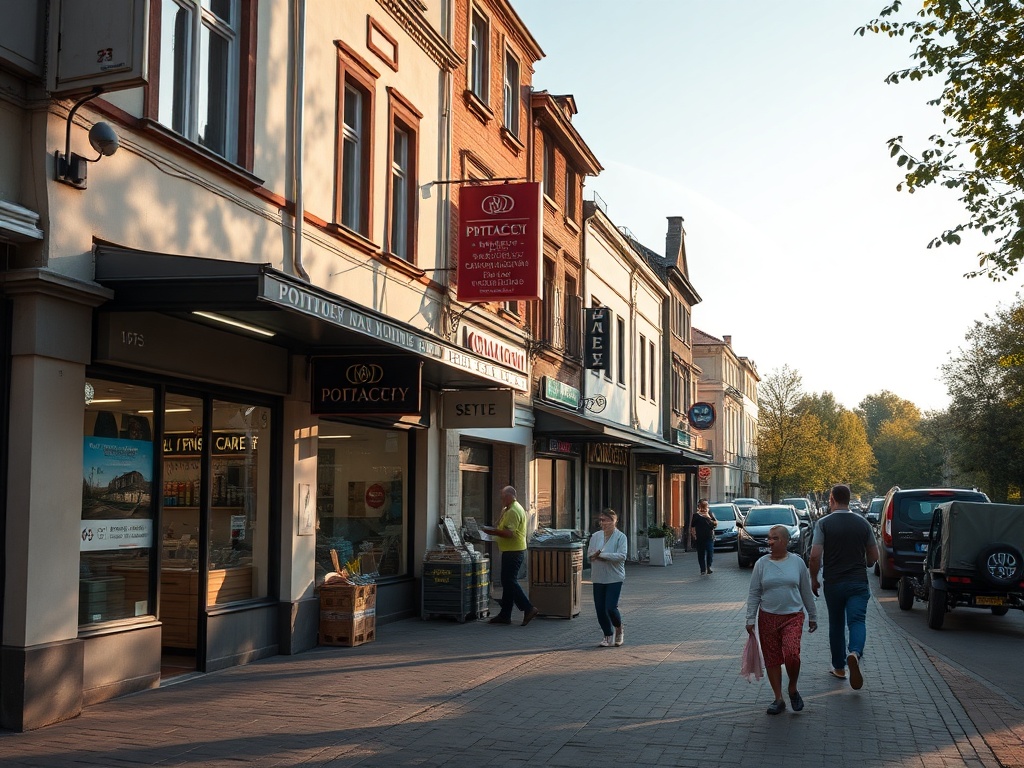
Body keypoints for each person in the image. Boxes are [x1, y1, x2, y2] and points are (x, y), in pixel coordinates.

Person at [808, 483, 879, 690]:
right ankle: (854, 653)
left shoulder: (823, 524)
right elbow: (874, 556)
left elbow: (814, 556)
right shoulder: (863, 523)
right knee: (857, 621)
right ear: (848, 499)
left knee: (836, 624)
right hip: (858, 581)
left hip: (834, 582)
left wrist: (814, 579)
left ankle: (839, 667)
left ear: (831, 499)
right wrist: (865, 563)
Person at [745, 525, 818, 715]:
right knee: (772, 659)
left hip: (793, 616)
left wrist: (813, 615)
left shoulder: (797, 562)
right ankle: (778, 699)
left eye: (775, 538)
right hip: (767, 617)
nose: (770, 542)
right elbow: (754, 593)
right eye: (769, 538)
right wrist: (750, 618)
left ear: (785, 541)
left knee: (792, 654)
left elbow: (805, 590)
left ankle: (792, 688)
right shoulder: (761, 564)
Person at [482, 486, 539, 627]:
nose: (501, 499)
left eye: (503, 497)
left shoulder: (513, 511)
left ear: (510, 496)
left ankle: (528, 608)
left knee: (509, 581)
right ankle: (505, 614)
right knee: (507, 582)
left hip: (514, 551)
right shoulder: (511, 508)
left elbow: (509, 533)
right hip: (511, 550)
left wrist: (492, 532)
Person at [587, 508, 629, 647]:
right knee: (600, 608)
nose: (602, 523)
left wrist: (603, 556)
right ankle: (607, 635)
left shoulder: (621, 537)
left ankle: (618, 628)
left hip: (614, 577)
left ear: (613, 521)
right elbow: (590, 553)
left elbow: (622, 556)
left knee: (610, 606)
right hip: (598, 576)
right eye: (600, 520)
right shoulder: (596, 536)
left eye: (605, 520)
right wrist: (594, 555)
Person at [689, 499, 718, 575]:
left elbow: (715, 523)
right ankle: (702, 569)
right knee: (701, 554)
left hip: (709, 537)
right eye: (703, 505)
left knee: (710, 551)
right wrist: (693, 535)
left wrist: (709, 518)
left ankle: (708, 566)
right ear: (699, 506)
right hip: (700, 538)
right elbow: (692, 526)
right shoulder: (696, 515)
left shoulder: (709, 513)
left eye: (706, 505)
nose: (705, 507)